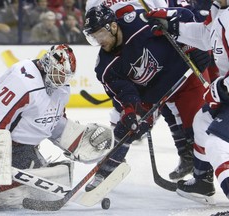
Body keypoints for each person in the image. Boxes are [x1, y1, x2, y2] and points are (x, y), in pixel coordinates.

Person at [82, 4, 212, 191]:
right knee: (126, 129)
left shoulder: (140, 22)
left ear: (113, 26)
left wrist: (197, 47)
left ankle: (203, 181)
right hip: (155, 91)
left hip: (185, 75)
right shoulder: (105, 67)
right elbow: (125, 92)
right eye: (93, 37)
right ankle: (105, 173)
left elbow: (184, 15)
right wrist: (129, 110)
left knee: (199, 129)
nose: (98, 40)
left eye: (100, 34)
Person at [0, 44, 115, 209]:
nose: (62, 81)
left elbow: (53, 121)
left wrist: (76, 138)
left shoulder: (60, 88)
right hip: (1, 148)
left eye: (66, 77)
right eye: (59, 75)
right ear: (48, 65)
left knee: (58, 178)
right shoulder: (23, 83)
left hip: (25, 150)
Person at [145, 0, 229, 204]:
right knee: (203, 119)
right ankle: (202, 181)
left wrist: (220, 89)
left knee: (217, 145)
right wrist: (173, 27)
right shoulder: (220, 10)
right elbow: (205, 35)